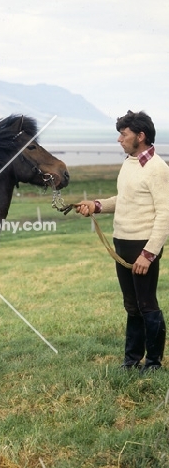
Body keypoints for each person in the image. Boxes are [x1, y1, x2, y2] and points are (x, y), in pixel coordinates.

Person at [76, 110, 169, 372]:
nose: (119, 139)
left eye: (124, 134)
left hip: (143, 246)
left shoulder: (158, 169)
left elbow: (165, 215)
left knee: (146, 303)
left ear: (140, 136)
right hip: (122, 245)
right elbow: (123, 200)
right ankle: (131, 361)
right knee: (131, 305)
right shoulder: (129, 163)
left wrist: (148, 254)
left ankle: (153, 363)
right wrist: (95, 205)